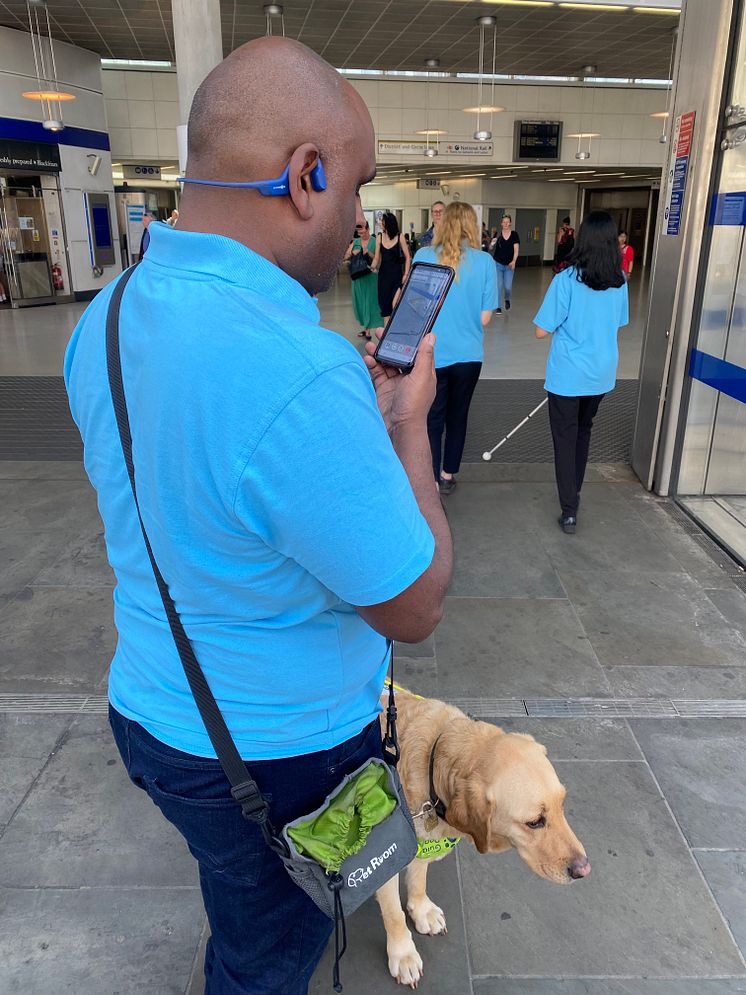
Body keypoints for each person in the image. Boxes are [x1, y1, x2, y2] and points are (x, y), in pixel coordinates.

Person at [64, 36, 452, 995]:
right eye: (358, 186)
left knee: (239, 893)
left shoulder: (104, 316)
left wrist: (330, 432)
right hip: (281, 756)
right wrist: (407, 427)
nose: (360, 217)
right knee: (269, 955)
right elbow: (415, 602)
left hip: (155, 710)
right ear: (306, 174)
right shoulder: (297, 366)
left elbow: (197, 479)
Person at [533, 210, 629, 534]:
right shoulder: (620, 281)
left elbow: (541, 331)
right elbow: (618, 323)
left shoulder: (566, 281)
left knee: (565, 438)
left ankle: (569, 508)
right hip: (602, 373)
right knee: (584, 430)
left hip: (568, 374)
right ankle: (574, 494)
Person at [413, 202, 498, 494]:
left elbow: (416, 307)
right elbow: (485, 319)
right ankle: (448, 475)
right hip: (469, 355)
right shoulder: (485, 262)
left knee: (432, 417)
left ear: (442, 223)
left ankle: (432, 480)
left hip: (431, 353)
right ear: (471, 226)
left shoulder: (423, 256)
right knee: (458, 416)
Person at [344, 219, 383, 340]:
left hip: (370, 277)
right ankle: (366, 327)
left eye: (363, 231)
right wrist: (352, 252)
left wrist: (368, 253)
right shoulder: (355, 242)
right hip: (358, 277)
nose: (361, 234)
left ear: (368, 228)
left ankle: (368, 331)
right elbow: (346, 256)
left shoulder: (375, 241)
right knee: (360, 303)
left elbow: (379, 260)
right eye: (359, 232)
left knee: (369, 303)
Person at [372, 210, 410, 321]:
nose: (380, 224)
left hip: (397, 276)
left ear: (388, 223)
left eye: (382, 221)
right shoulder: (379, 237)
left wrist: (406, 274)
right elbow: (376, 258)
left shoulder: (400, 237)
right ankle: (385, 336)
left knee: (394, 306)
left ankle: (396, 331)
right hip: (383, 277)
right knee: (385, 309)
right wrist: (372, 267)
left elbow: (408, 257)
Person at [491, 213, 520, 314]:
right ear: (501, 223)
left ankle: (507, 299)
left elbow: (516, 250)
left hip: (509, 265)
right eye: (504, 222)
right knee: (498, 286)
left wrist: (514, 261)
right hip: (498, 264)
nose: (506, 224)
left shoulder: (514, 235)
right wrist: (492, 243)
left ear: (510, 223)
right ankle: (498, 307)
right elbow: (490, 248)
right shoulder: (497, 234)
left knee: (508, 287)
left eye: (508, 222)